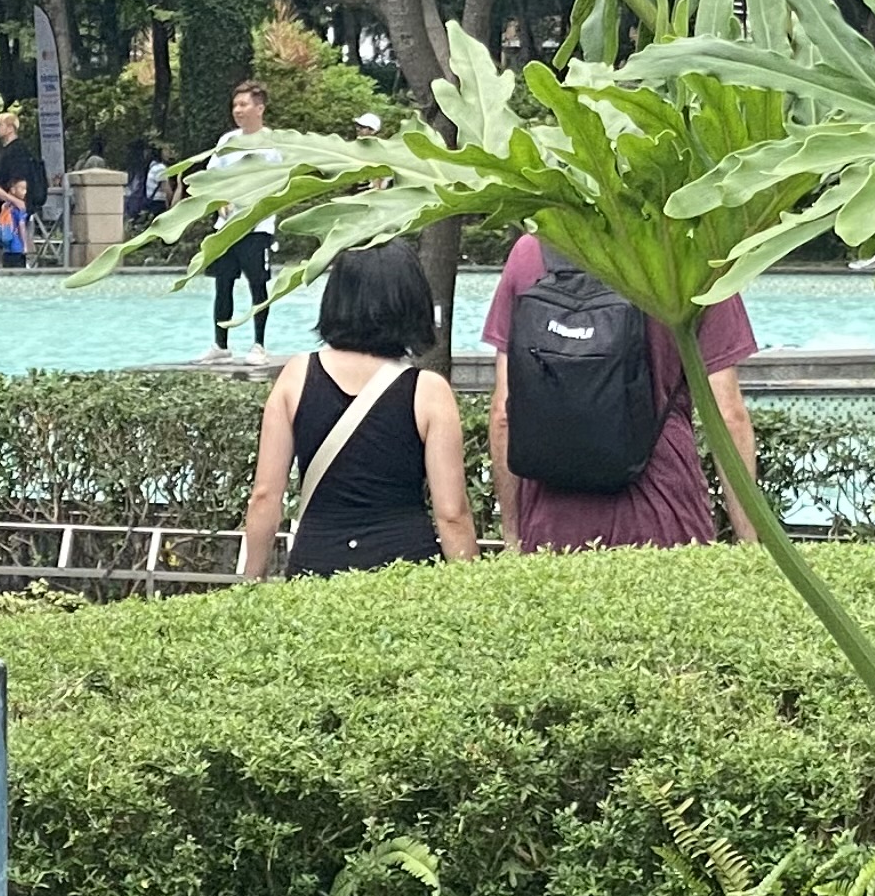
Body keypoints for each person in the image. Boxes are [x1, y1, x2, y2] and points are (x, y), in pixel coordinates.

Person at [481, 231, 759, 551]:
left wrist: (513, 535)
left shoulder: (530, 253)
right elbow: (729, 416)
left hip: (552, 526)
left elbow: (504, 411)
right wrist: (748, 541)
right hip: (664, 514)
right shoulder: (693, 253)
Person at [238, 241, 479, 581]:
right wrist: (471, 592)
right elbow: (452, 513)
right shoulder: (428, 390)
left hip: (316, 564)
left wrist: (250, 582)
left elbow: (265, 496)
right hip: (406, 571)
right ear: (410, 301)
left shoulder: (296, 375)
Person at [205, 80, 282, 360]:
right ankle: (220, 345)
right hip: (226, 227)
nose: (237, 110)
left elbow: (281, 181)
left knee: (257, 285)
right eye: (235, 105)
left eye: (244, 104)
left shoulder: (274, 143)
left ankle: (259, 344)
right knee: (222, 284)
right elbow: (214, 176)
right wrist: (220, 199)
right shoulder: (227, 141)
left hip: (257, 228)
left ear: (259, 108)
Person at [0, 111, 48, 268]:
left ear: (10, 128)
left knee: (13, 247)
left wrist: (14, 202)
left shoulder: (17, 151)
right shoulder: (3, 150)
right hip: (4, 205)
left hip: (13, 207)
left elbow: (20, 181)